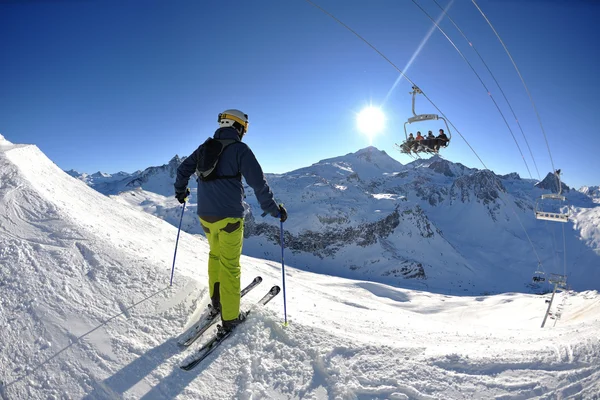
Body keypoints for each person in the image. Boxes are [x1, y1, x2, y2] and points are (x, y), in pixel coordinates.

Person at [174, 109, 287, 333]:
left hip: (206, 218)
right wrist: (274, 210)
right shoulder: (240, 150)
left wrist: (181, 192)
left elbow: (182, 170)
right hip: (230, 219)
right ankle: (231, 317)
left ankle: (217, 303)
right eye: (244, 129)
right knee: (230, 267)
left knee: (215, 256)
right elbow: (259, 184)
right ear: (239, 127)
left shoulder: (204, 147)